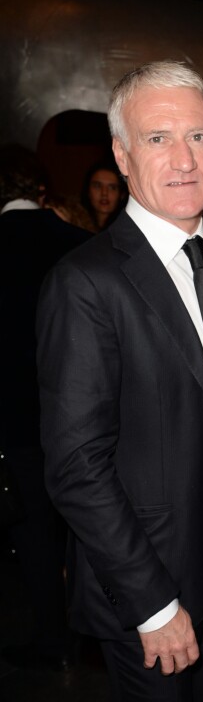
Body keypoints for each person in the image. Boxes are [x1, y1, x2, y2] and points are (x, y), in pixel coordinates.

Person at [36, 61, 203, 702]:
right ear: (122, 156)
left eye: (198, 135)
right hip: (150, 581)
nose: (185, 157)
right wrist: (153, 603)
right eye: (159, 137)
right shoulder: (87, 281)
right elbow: (75, 465)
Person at [0, 144, 90, 672]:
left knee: (34, 534)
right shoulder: (80, 242)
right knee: (86, 523)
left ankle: (53, 638)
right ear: (40, 190)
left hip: (16, 422)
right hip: (83, 418)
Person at [80, 159, 127, 232]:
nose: (104, 193)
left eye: (112, 188)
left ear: (121, 194)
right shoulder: (75, 223)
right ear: (88, 191)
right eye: (97, 186)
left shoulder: (127, 229)